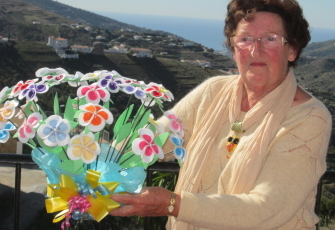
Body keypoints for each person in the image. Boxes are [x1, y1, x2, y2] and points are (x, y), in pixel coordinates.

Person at [109, 0, 332, 229]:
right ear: (234, 48)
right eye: (245, 39)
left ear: (292, 50)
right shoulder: (213, 91)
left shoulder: (310, 118)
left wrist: (172, 204)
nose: (256, 50)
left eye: (270, 39)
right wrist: (96, 158)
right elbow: (156, 138)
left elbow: (265, 208)